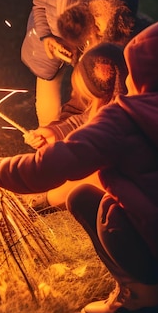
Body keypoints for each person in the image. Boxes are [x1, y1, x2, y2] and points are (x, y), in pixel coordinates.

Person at [0, 16, 158, 313]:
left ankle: (144, 293)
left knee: (98, 205)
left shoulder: (124, 118)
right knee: (88, 195)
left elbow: (56, 163)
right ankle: (148, 280)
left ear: (141, 70)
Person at [24, 0, 145, 150]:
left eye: (99, 16)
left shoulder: (126, 68)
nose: (93, 23)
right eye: (92, 15)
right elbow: (79, 107)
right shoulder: (93, 50)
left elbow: (100, 120)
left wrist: (62, 134)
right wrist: (54, 130)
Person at [22, 42, 127, 211]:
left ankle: (46, 201)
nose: (88, 104)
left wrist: (50, 197)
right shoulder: (108, 105)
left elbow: (90, 162)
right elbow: (82, 120)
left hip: (137, 189)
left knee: (83, 181)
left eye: (89, 97)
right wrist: (53, 132)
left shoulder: (122, 122)